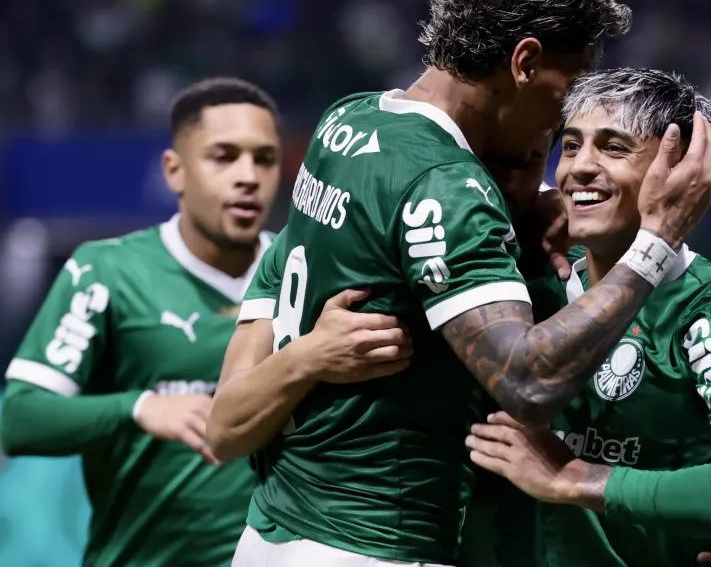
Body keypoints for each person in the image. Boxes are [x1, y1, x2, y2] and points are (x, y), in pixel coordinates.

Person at [207, 0, 711, 567]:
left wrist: (534, 199)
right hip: (377, 545)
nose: (566, 115)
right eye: (571, 84)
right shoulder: (447, 186)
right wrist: (656, 239)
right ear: (524, 62)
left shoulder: (349, 119)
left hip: (273, 532)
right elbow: (528, 381)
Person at [0, 78, 409, 567]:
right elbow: (18, 419)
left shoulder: (312, 274)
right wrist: (140, 407)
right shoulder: (106, 272)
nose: (248, 176)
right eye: (223, 157)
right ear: (174, 170)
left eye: (264, 159)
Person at [465, 68, 711, 567]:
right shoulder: (519, 291)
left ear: (681, 172)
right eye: (571, 146)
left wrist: (577, 478)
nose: (579, 167)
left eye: (613, 148)